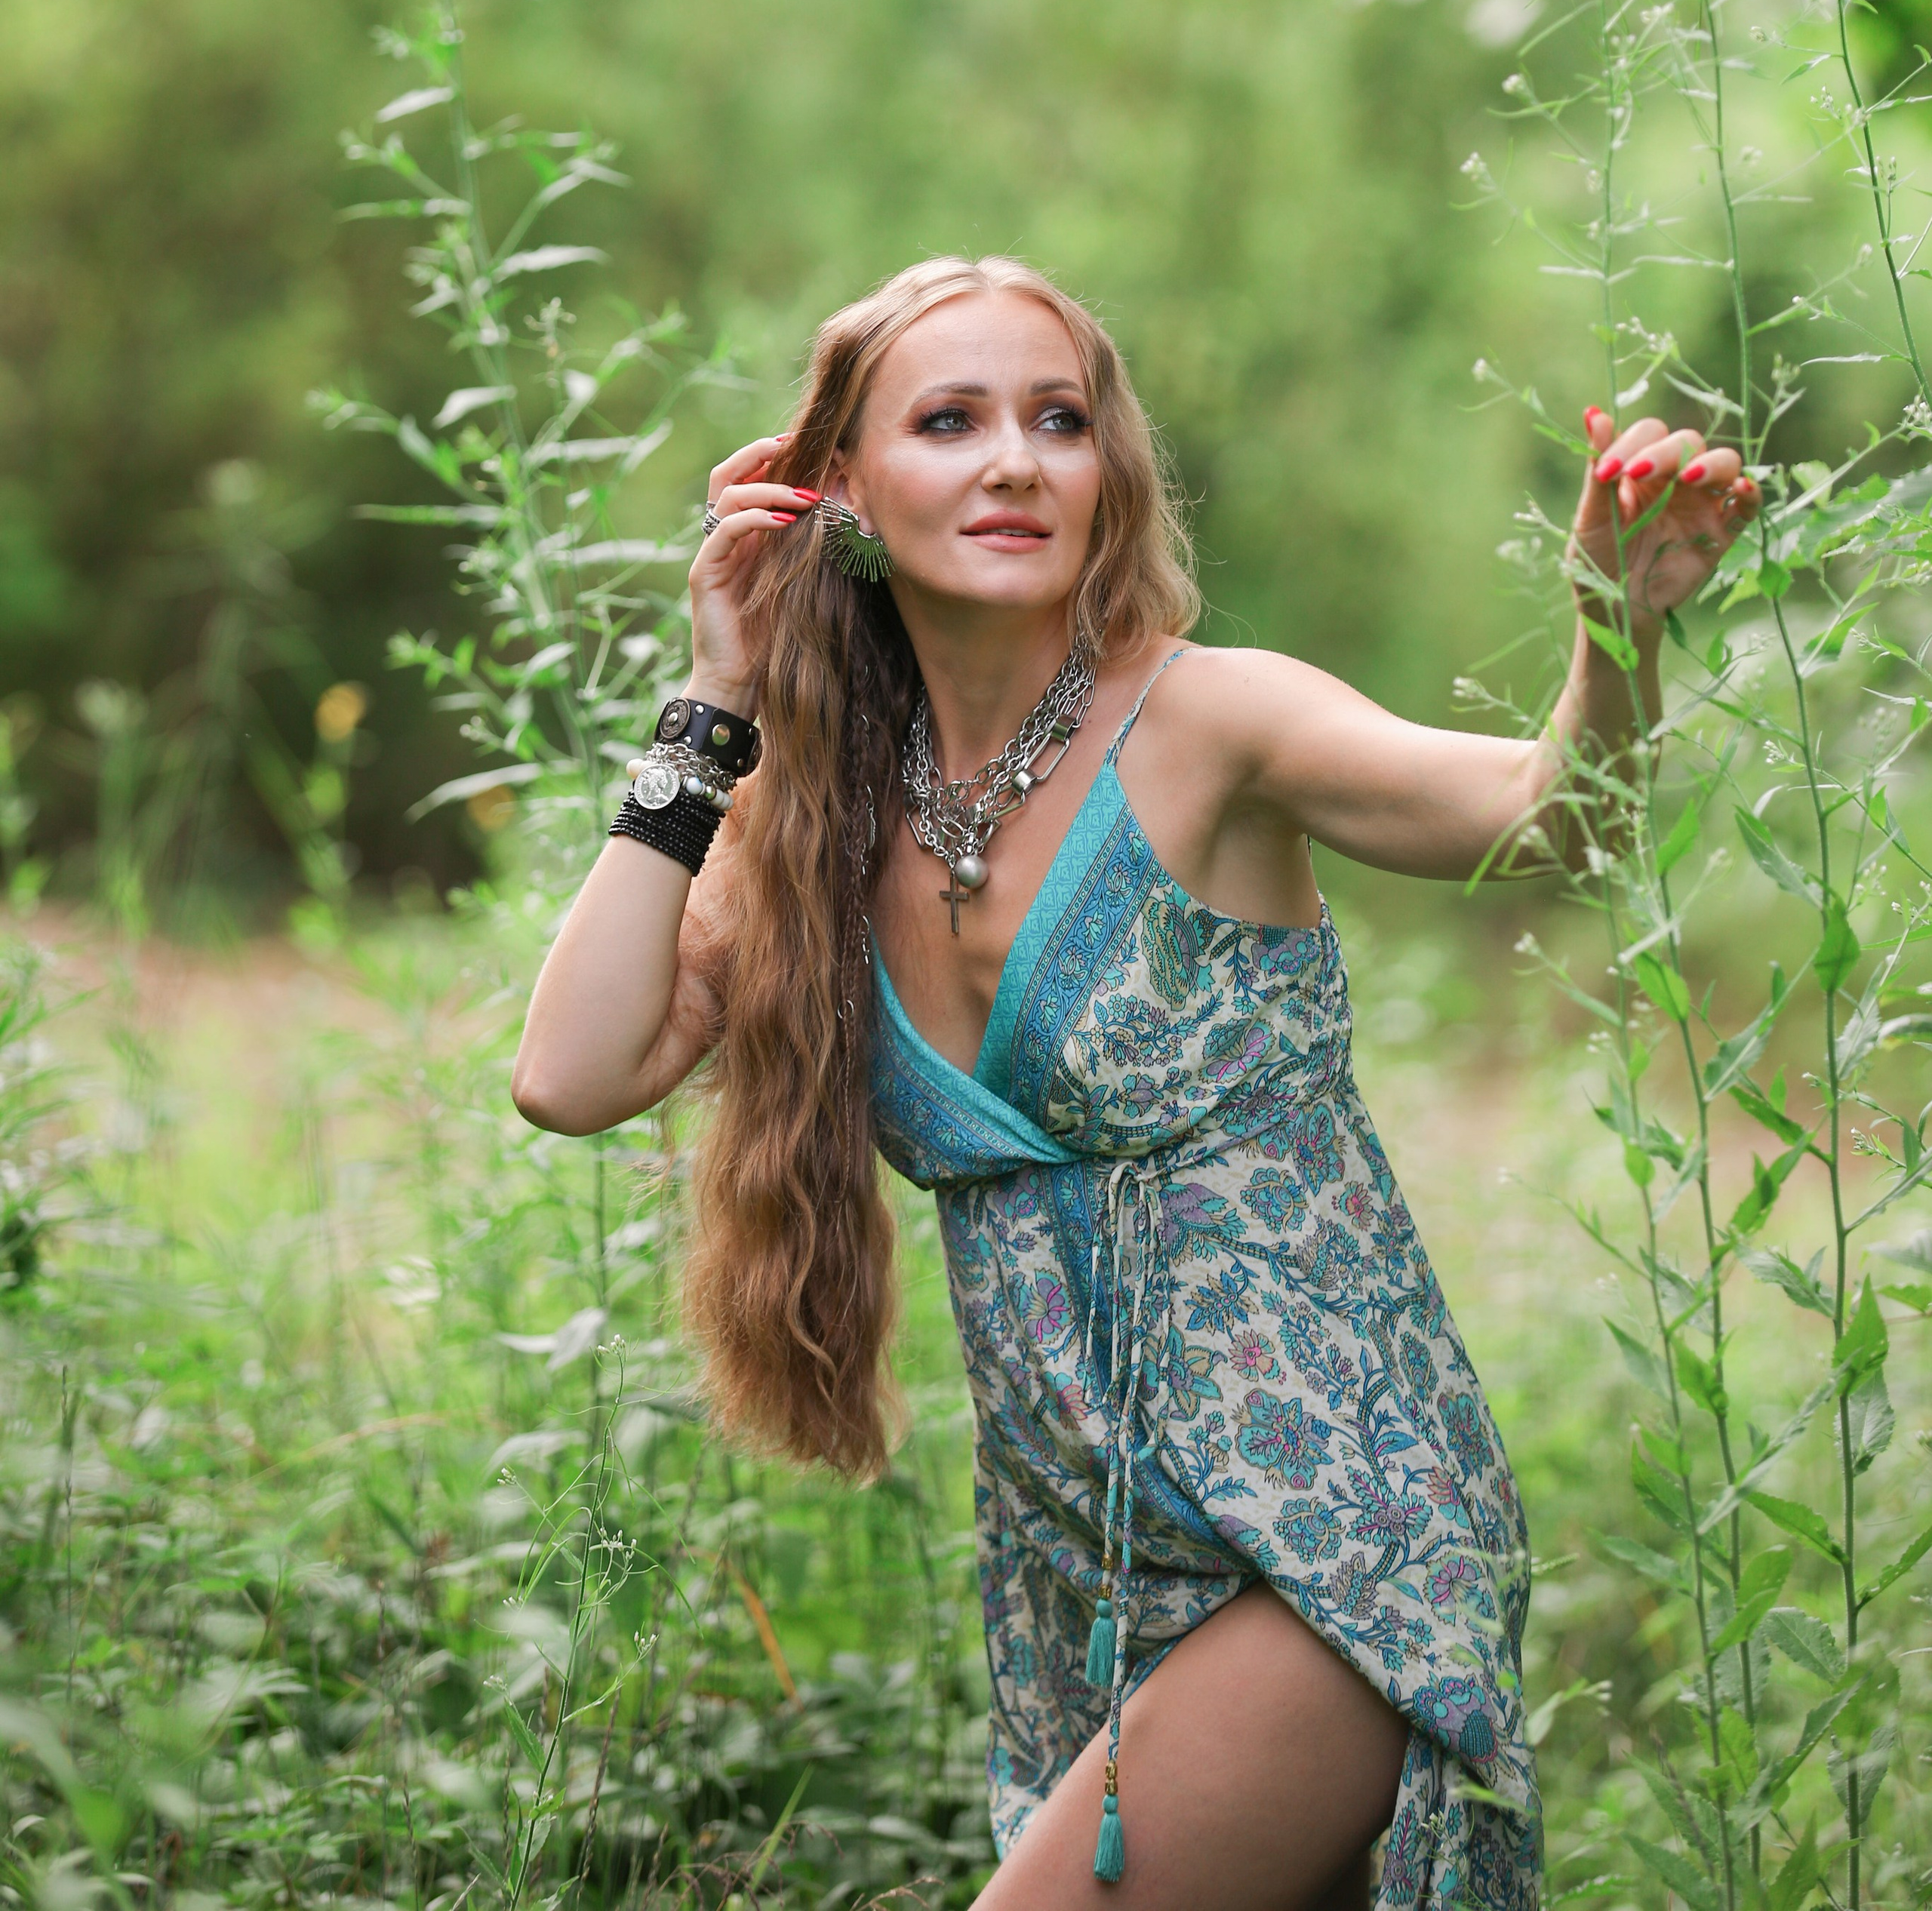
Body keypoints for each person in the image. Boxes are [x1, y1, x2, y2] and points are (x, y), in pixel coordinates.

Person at [512, 255, 1758, 1911]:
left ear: (1111, 477)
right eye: (947, 421)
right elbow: (569, 1073)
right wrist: (716, 697)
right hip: (1079, 1571)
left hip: (1338, 1529)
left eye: (1058, 419)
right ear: (844, 495)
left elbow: (1554, 823)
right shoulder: (813, 834)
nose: (1015, 459)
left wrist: (1614, 620)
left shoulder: (1209, 723)